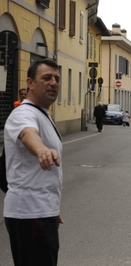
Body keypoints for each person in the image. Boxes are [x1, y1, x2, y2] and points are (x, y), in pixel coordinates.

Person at [4, 59, 63, 266]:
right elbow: (28, 134)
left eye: (56, 78)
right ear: (30, 83)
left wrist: (52, 209)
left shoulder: (42, 114)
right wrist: (41, 150)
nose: (53, 83)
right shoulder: (23, 113)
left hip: (41, 211)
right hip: (29, 214)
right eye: (46, 78)